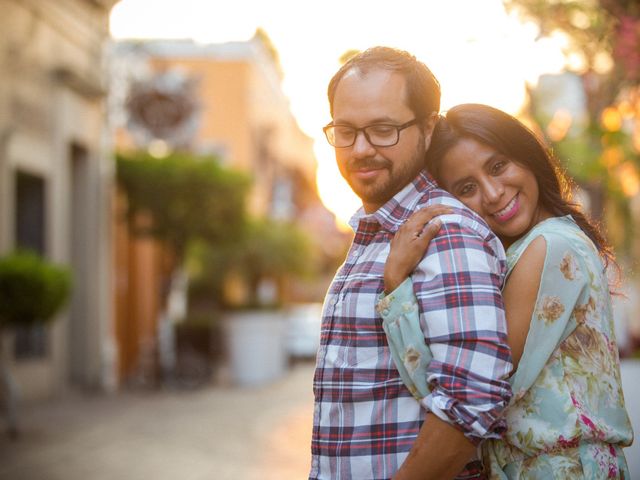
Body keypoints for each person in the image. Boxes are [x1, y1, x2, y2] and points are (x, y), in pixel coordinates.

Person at [379, 103, 634, 478]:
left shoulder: (549, 248)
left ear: (526, 155)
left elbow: (474, 394)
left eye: (498, 166)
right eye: (467, 188)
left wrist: (395, 285)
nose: (494, 193)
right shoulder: (533, 246)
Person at [310, 46, 513, 480]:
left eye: (383, 129)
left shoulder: (444, 231)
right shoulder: (379, 233)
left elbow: (472, 398)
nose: (361, 148)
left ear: (427, 128)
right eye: (345, 130)